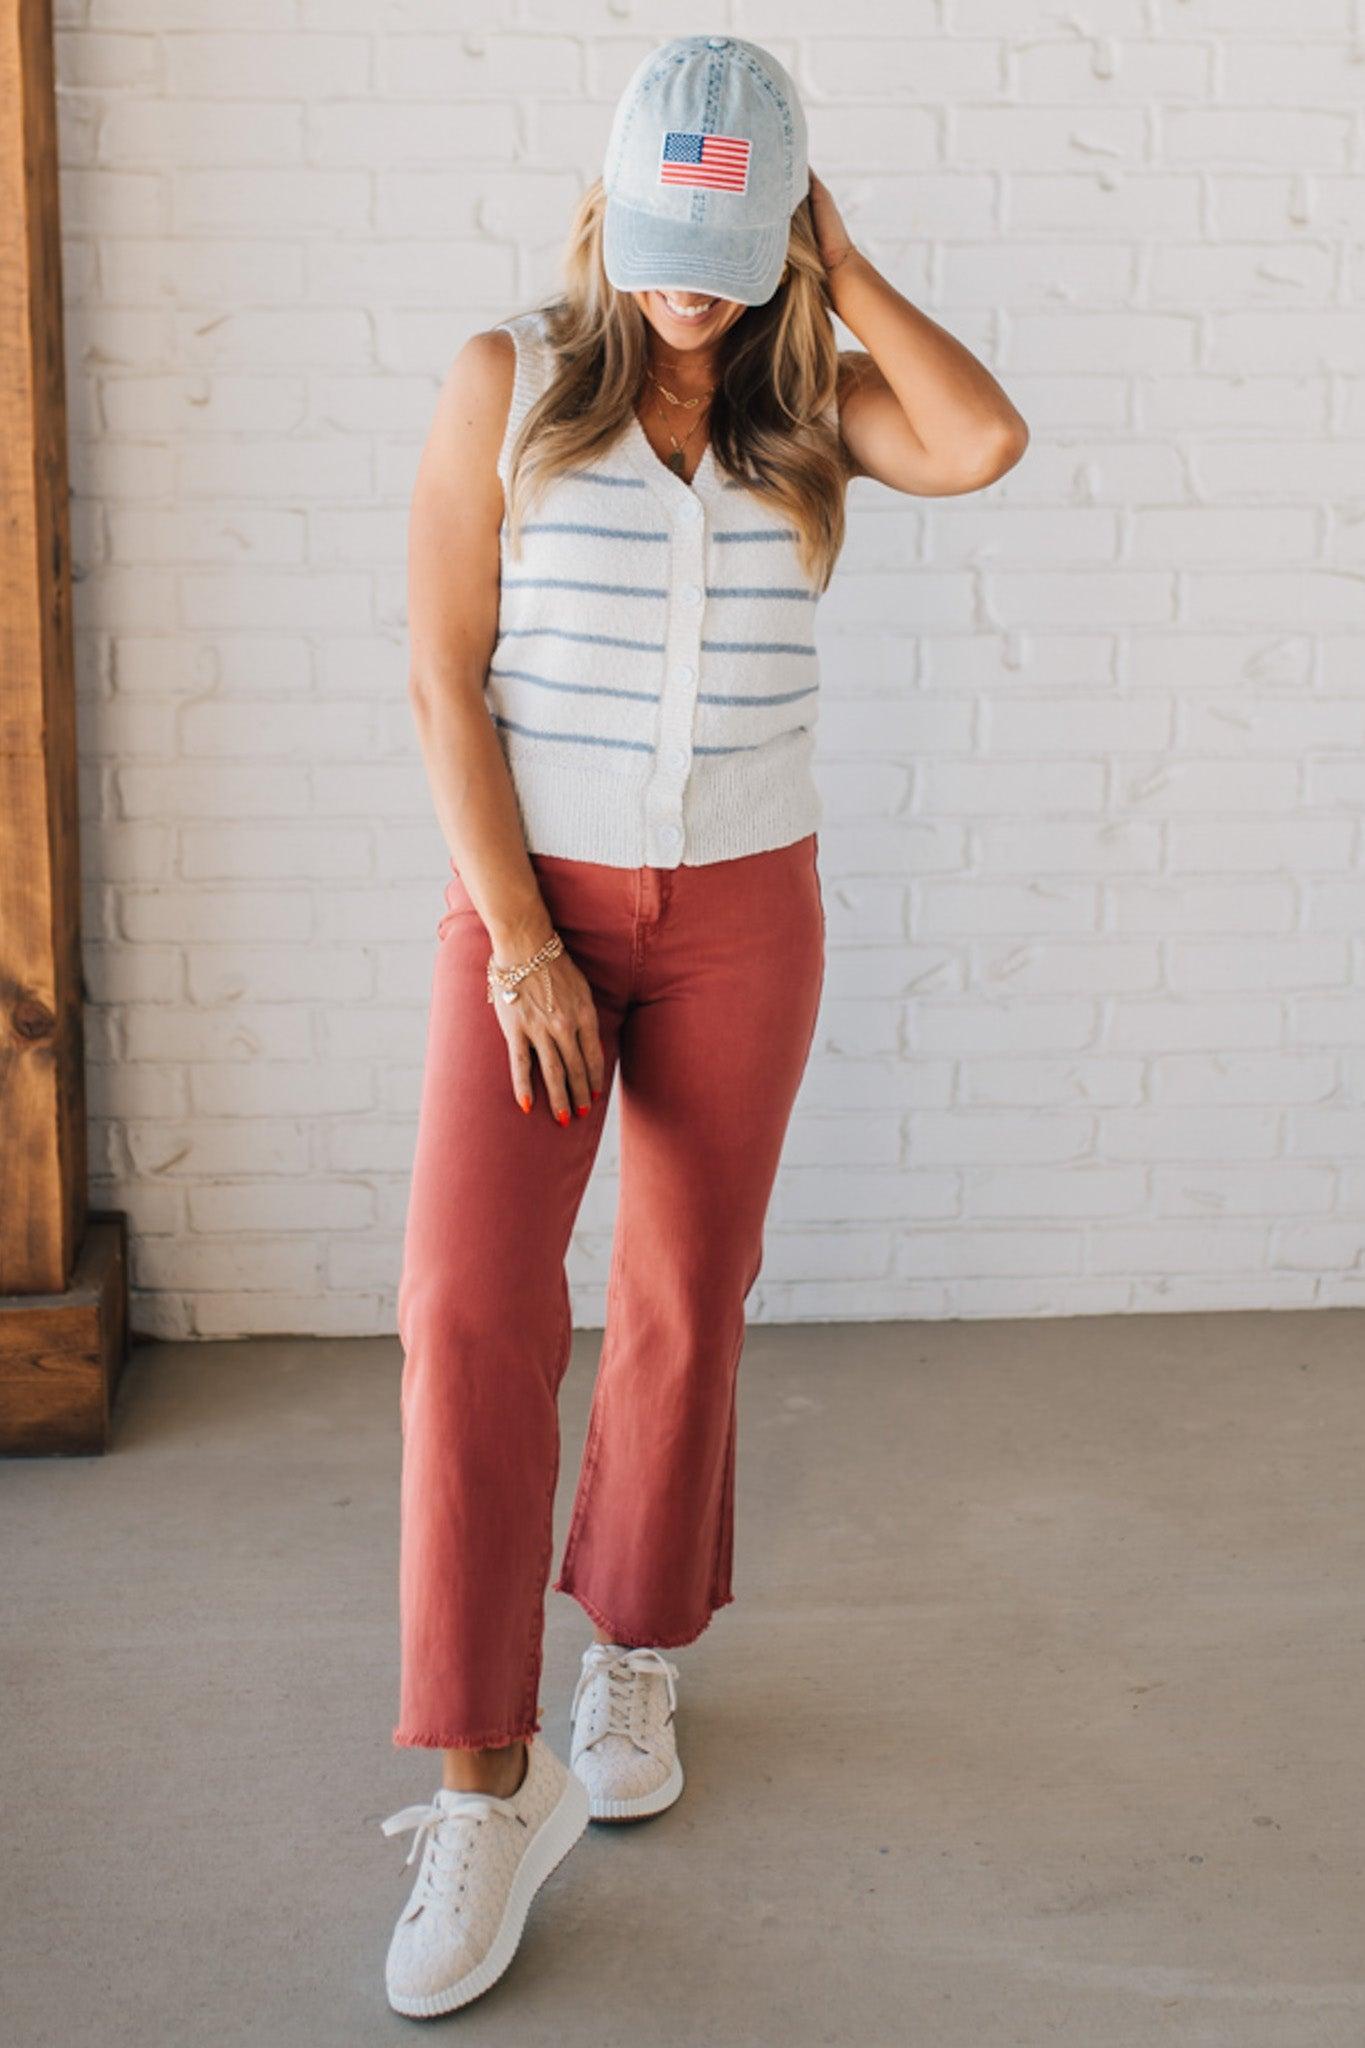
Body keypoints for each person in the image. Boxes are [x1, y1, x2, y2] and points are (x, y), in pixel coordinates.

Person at [379, 31, 1028, 2018]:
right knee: (469, 1306)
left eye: (729, 240)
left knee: (681, 1291)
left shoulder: (811, 408)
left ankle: (633, 1650)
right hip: (537, 913)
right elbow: (440, 674)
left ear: (777, 230)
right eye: (664, 236)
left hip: (750, 911)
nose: (688, 280)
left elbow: (983, 440)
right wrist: (518, 941)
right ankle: (487, 1785)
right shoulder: (506, 383)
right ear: (605, 209)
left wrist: (840, 260)